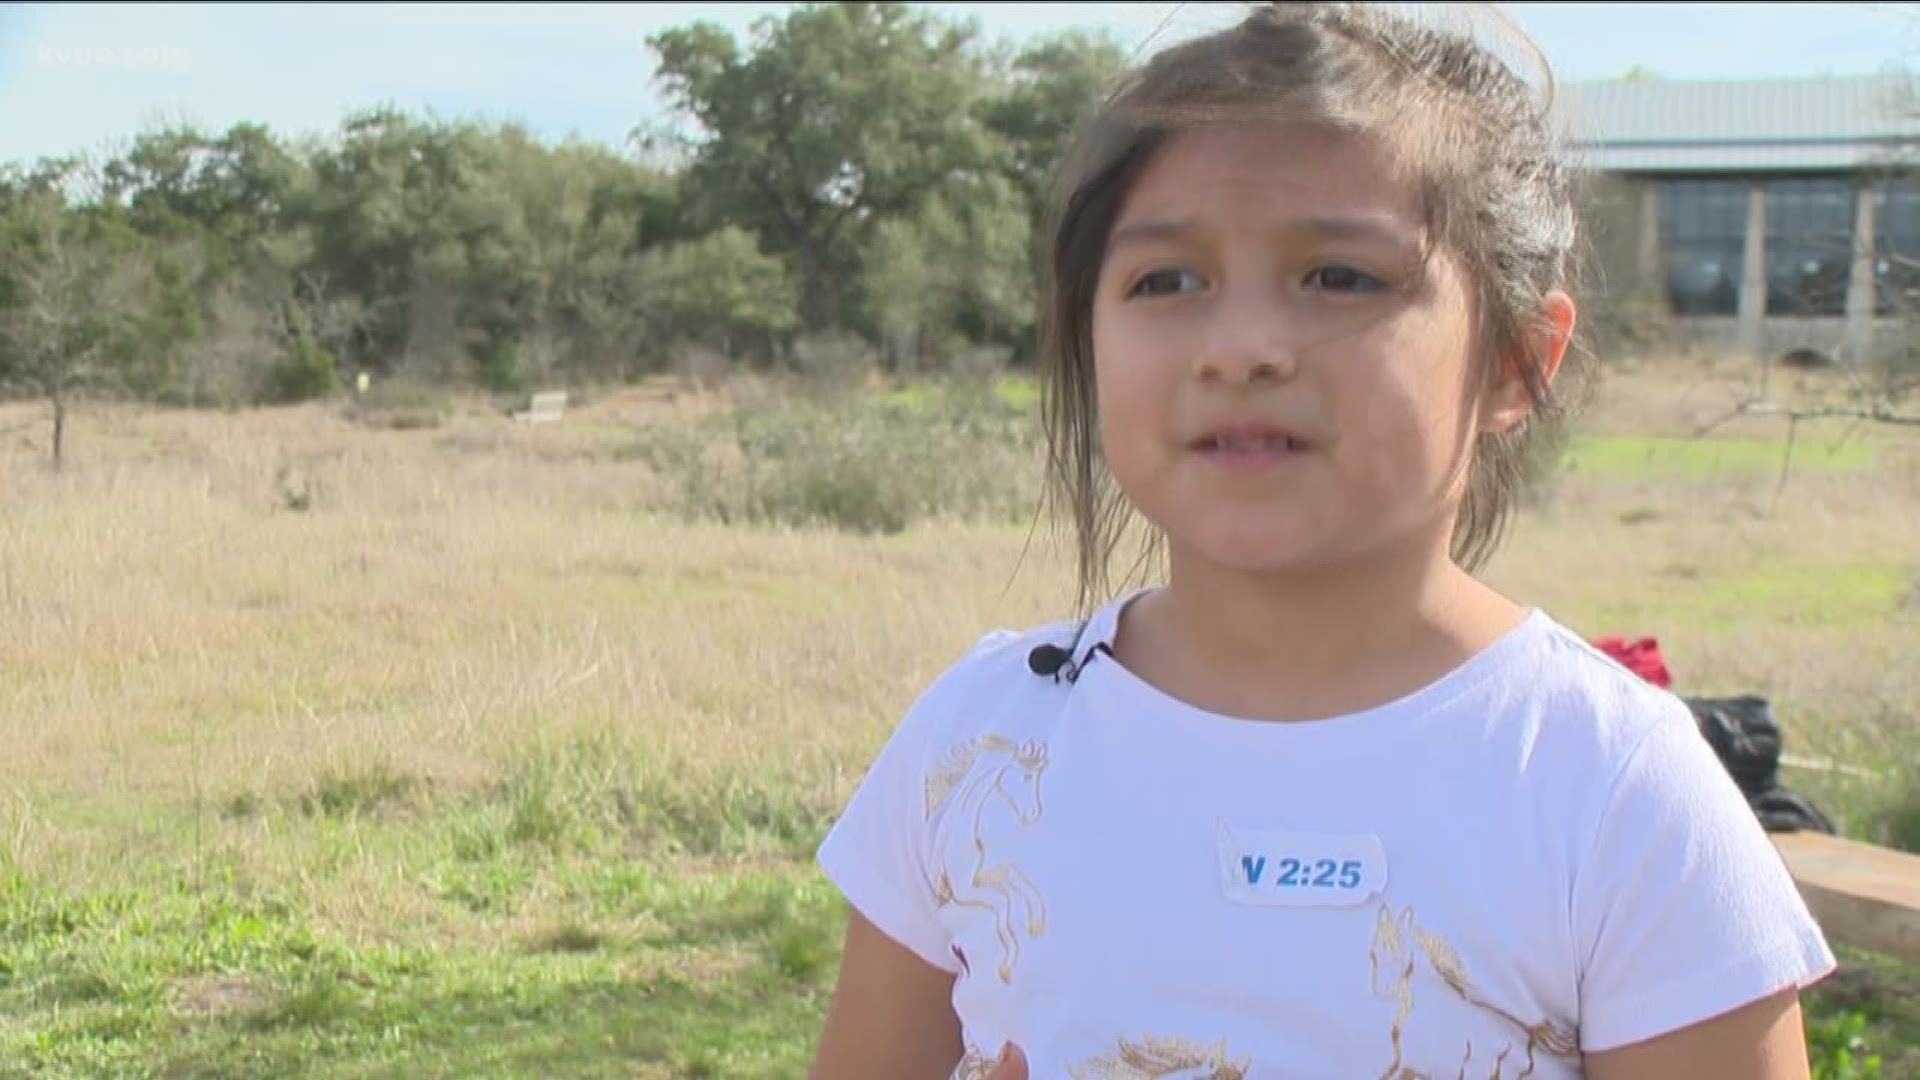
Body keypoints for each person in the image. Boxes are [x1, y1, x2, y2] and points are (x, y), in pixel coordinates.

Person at [808, 4, 1835, 1077]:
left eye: (1340, 277)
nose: (1241, 347)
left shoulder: (1610, 787)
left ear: (1516, 363)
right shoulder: (977, 749)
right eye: (1167, 281)